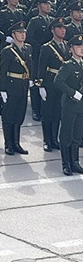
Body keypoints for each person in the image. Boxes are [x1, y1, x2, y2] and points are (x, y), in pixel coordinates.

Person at [0, 21, 34, 155]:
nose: (23, 35)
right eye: (19, 33)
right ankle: (8, 144)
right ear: (13, 35)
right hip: (11, 86)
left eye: (24, 32)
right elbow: (2, 71)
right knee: (9, 116)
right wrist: (2, 89)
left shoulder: (28, 48)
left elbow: (30, 65)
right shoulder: (7, 51)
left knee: (19, 115)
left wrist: (30, 79)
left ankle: (16, 143)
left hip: (23, 86)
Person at [37, 18, 68, 152]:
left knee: (58, 113)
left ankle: (55, 139)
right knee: (48, 112)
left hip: (62, 83)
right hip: (49, 82)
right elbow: (41, 68)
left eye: (64, 28)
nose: (62, 30)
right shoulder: (47, 47)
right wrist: (40, 85)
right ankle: (47, 140)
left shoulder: (67, 45)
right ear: (52, 30)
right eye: (59, 28)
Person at [54, 34, 83, 175]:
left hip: (81, 105)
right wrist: (72, 93)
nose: (81, 48)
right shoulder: (68, 65)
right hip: (70, 104)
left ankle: (75, 162)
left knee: (77, 134)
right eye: (78, 46)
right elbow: (57, 81)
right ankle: (66, 164)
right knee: (67, 134)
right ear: (71, 49)